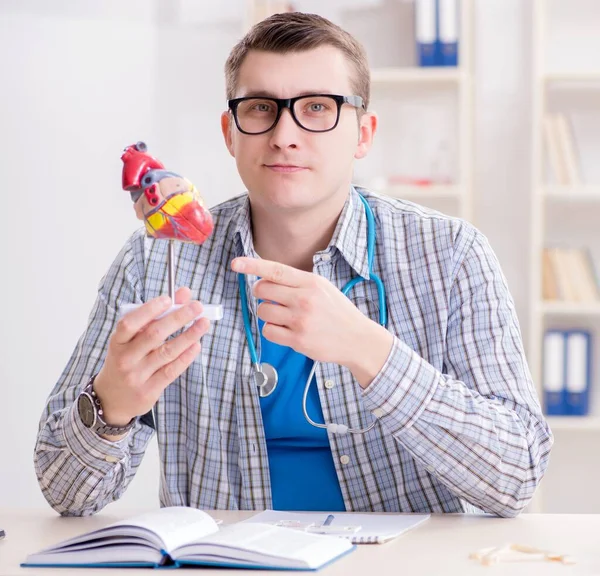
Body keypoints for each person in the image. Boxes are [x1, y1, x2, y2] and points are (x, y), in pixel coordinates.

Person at [34, 12, 552, 518]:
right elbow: (65, 493)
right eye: (261, 108)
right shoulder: (154, 262)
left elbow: (516, 478)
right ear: (229, 133)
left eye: (318, 107)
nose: (285, 134)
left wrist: (370, 351)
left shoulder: (451, 255)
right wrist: (110, 407)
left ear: (364, 133)